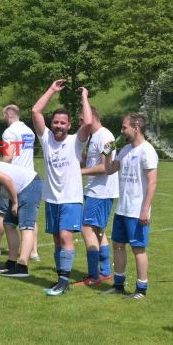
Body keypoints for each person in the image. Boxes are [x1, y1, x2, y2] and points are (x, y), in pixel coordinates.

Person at [31, 80, 92, 296]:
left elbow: (88, 123)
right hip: (52, 198)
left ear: (69, 125)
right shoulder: (46, 138)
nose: (58, 126)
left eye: (62, 123)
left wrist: (84, 96)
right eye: (55, 122)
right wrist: (51, 90)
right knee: (57, 239)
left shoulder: (76, 141)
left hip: (71, 198)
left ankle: (64, 282)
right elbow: (36, 110)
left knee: (66, 236)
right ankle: (61, 278)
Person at [103, 113, 158, 299]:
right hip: (122, 209)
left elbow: (152, 183)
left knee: (138, 249)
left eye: (124, 127)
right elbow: (110, 170)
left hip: (137, 211)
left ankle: (141, 289)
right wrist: (107, 153)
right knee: (118, 245)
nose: (121, 130)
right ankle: (118, 285)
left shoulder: (147, 151)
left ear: (136, 128)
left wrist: (145, 210)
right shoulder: (125, 149)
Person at [0, 104, 40, 261]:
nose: (3, 118)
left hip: (13, 178)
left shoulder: (10, 132)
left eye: (4, 115)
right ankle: (33, 252)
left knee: (0, 213)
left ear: (9, 115)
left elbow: (8, 156)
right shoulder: (29, 131)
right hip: (30, 178)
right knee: (30, 218)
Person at [74, 106, 119, 286]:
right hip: (96, 191)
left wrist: (80, 172)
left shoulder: (107, 136)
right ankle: (106, 272)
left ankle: (93, 276)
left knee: (87, 229)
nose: (80, 124)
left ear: (91, 118)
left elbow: (104, 168)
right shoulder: (95, 137)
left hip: (100, 192)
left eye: (81, 120)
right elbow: (93, 162)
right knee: (99, 231)